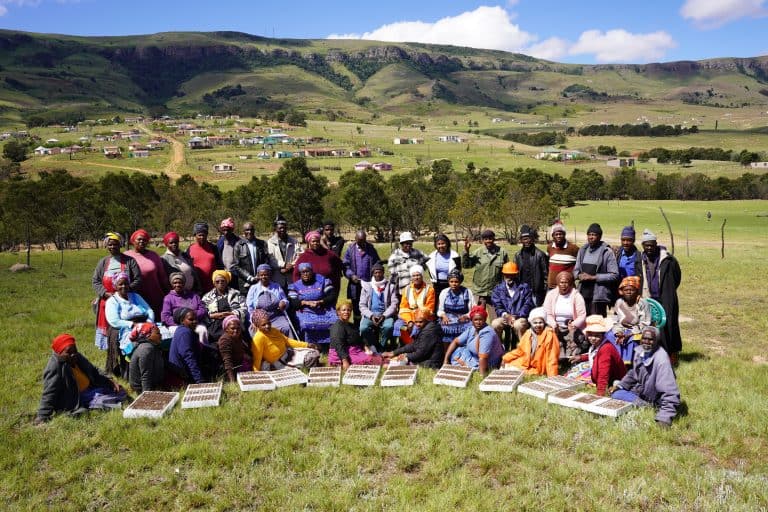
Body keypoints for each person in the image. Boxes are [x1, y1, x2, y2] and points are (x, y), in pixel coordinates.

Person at [35, 334, 126, 424]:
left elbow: (94, 370)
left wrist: (109, 380)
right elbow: (49, 392)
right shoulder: (55, 367)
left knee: (119, 391)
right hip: (76, 397)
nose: (73, 354)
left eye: (75, 350)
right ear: (60, 353)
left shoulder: (77, 357)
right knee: (108, 402)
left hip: (91, 388)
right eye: (69, 352)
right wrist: (42, 416)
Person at [611, 326, 681, 427]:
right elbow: (633, 373)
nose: (646, 342)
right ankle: (639, 402)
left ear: (657, 341)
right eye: (644, 338)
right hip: (642, 391)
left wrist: (664, 418)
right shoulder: (640, 351)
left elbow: (670, 392)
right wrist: (620, 386)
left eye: (650, 339)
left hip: (655, 397)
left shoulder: (661, 360)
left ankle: (646, 406)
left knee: (618, 396)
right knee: (616, 393)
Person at [92, 232, 141, 351]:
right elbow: (96, 281)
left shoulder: (130, 261)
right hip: (107, 301)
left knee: (125, 330)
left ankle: (126, 353)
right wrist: (105, 293)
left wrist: (124, 292)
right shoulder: (103, 262)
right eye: (110, 244)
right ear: (106, 246)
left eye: (115, 244)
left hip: (126, 302)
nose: (112, 247)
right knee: (110, 332)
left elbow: (138, 279)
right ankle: (112, 356)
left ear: (120, 244)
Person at [640, 229, 682, 365]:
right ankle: (657, 354)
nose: (649, 248)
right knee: (652, 325)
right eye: (647, 245)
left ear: (656, 244)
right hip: (650, 297)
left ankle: (672, 354)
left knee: (669, 325)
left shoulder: (668, 260)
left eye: (652, 245)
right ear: (643, 246)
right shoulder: (641, 259)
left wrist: (668, 289)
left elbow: (677, 276)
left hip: (667, 297)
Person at [104, 272, 155, 378]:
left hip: (144, 323)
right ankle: (134, 373)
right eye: (120, 284)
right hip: (126, 326)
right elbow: (114, 320)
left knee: (159, 337)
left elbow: (149, 310)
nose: (124, 286)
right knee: (135, 344)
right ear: (115, 286)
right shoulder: (112, 301)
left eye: (126, 283)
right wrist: (132, 324)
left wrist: (149, 323)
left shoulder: (135, 296)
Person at [568, 315, 626, 396]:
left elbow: (603, 373)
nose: (593, 338)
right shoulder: (598, 345)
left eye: (597, 336)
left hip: (614, 379)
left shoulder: (606, 348)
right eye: (590, 335)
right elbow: (594, 354)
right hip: (602, 375)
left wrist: (600, 394)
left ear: (603, 335)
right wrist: (581, 357)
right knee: (573, 371)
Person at [249, 309, 320, 371]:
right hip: (279, 363)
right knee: (311, 357)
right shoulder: (258, 338)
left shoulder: (274, 330)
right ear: (257, 325)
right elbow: (257, 359)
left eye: (269, 323)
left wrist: (306, 345)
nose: (267, 326)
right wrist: (256, 373)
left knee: (314, 352)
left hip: (287, 354)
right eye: (263, 325)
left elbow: (287, 341)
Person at [443, 305, 504, 376]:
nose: (478, 322)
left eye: (480, 320)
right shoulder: (472, 329)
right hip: (473, 356)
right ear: (471, 320)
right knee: (457, 351)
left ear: (485, 319)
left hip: (486, 361)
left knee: (459, 359)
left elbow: (483, 357)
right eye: (475, 320)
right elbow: (456, 342)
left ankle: (472, 368)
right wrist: (446, 360)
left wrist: (482, 376)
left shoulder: (487, 333)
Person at [288, 262, 339, 346]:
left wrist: (320, 302)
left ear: (312, 271)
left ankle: (331, 343)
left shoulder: (322, 281)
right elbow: (293, 302)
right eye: (303, 272)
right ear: (300, 273)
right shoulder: (295, 286)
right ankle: (311, 344)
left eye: (307, 271)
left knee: (335, 321)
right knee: (306, 323)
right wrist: (305, 302)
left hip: (322, 309)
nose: (305, 274)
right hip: (305, 310)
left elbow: (332, 295)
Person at [574, 223, 619, 316]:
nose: (591, 237)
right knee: (582, 324)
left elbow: (614, 275)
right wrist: (579, 275)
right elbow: (576, 271)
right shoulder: (583, 250)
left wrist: (593, 277)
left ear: (599, 236)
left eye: (594, 235)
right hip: (582, 295)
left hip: (598, 297)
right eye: (589, 234)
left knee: (597, 325)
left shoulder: (607, 252)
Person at [501, 307, 559, 377]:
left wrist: (552, 377)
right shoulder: (528, 333)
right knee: (504, 367)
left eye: (540, 322)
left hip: (538, 366)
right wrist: (505, 358)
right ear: (531, 323)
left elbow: (551, 358)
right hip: (526, 362)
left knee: (509, 371)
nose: (538, 325)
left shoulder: (549, 334)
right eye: (535, 323)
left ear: (544, 323)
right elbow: (520, 350)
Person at [124, 229, 168, 318]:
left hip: (154, 295)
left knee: (156, 322)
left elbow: (162, 277)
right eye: (139, 239)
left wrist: (168, 293)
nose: (141, 241)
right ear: (133, 241)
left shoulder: (154, 255)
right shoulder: (126, 255)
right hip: (134, 295)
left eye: (144, 240)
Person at [543, 271, 587, 359]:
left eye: (566, 282)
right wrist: (553, 324)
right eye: (561, 282)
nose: (564, 285)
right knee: (558, 353)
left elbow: (582, 315)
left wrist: (574, 324)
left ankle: (571, 355)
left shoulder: (576, 296)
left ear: (570, 283)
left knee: (573, 349)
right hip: (556, 326)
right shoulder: (551, 295)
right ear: (558, 283)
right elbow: (547, 313)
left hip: (572, 327)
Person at [490, 262, 534, 348]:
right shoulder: (498, 289)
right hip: (505, 317)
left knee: (518, 325)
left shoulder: (524, 287)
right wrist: (506, 315)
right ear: (503, 275)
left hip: (520, 317)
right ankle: (498, 348)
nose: (509, 277)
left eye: (512, 275)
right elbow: (497, 306)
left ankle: (524, 349)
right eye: (507, 275)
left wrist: (516, 316)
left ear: (516, 274)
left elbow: (528, 304)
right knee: (495, 323)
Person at [329, 300, 383, 369]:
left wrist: (366, 348)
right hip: (342, 354)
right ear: (338, 312)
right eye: (344, 310)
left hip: (355, 351)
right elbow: (339, 346)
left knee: (375, 356)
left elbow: (359, 339)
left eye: (348, 310)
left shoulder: (351, 325)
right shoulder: (337, 327)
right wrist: (345, 361)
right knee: (372, 360)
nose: (346, 312)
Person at [342, 230, 381, 322]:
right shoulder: (350, 249)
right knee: (356, 308)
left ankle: (369, 329)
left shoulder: (371, 249)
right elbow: (345, 266)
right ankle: (357, 329)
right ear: (355, 240)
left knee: (370, 306)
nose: (362, 243)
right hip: (355, 285)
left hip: (369, 284)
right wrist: (351, 276)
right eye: (359, 241)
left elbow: (377, 263)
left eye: (363, 241)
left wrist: (375, 275)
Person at [462, 229, 509, 306]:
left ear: (494, 239)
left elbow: (507, 273)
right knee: (478, 316)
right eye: (486, 239)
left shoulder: (502, 253)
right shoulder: (478, 252)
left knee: (496, 317)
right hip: (480, 291)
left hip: (495, 292)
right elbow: (466, 266)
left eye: (490, 238)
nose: (488, 241)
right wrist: (466, 251)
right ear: (483, 240)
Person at [359, 262, 398, 351]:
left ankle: (382, 345)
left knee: (388, 326)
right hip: (370, 315)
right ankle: (375, 345)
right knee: (363, 328)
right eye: (375, 272)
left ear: (383, 273)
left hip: (385, 315)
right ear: (373, 273)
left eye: (380, 272)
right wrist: (371, 316)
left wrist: (384, 316)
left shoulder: (390, 286)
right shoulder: (367, 287)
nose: (378, 274)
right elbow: (362, 305)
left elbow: (394, 304)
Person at [612, 276, 651, 365]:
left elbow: (645, 323)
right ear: (622, 291)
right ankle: (616, 361)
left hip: (638, 330)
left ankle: (627, 364)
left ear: (637, 291)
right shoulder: (619, 302)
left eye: (632, 290)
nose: (629, 292)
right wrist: (618, 332)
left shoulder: (642, 303)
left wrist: (629, 334)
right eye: (626, 290)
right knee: (609, 336)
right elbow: (615, 320)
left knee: (631, 340)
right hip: (621, 329)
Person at [161, 272, 208, 344]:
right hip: (177, 325)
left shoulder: (194, 296)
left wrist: (191, 318)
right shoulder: (168, 298)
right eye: (175, 283)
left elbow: (202, 310)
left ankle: (204, 350)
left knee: (202, 330)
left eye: (180, 282)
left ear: (184, 283)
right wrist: (181, 322)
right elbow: (165, 316)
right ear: (171, 284)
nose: (177, 285)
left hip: (194, 323)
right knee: (183, 334)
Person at [200, 270, 247, 344]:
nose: (220, 283)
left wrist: (231, 314)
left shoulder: (236, 294)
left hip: (233, 322)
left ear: (227, 282)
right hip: (215, 324)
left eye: (223, 281)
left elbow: (244, 309)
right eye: (217, 281)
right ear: (214, 283)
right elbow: (203, 313)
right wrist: (213, 315)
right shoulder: (207, 297)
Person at [245, 264, 292, 336]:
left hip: (276, 316)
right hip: (260, 319)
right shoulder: (253, 288)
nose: (264, 277)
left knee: (286, 327)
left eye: (266, 275)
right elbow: (249, 308)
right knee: (255, 332)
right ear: (258, 276)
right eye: (261, 275)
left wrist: (284, 303)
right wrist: (253, 321)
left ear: (270, 275)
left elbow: (285, 300)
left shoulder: (276, 286)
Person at [393, 265, 435, 344]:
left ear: (422, 276)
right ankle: (404, 345)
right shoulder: (407, 289)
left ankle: (415, 346)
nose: (416, 278)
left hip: (424, 317)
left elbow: (429, 308)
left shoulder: (429, 289)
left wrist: (416, 320)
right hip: (408, 316)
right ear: (411, 278)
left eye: (418, 275)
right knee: (398, 325)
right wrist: (409, 321)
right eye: (414, 276)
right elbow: (403, 308)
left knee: (416, 327)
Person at [293, 230, 343, 295]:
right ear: (309, 242)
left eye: (317, 241)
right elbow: (296, 274)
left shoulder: (329, 254)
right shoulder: (303, 257)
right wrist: (299, 289)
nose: (315, 243)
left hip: (328, 289)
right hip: (311, 291)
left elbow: (339, 264)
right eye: (313, 241)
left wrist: (336, 282)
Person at [230, 221, 269, 296]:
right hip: (245, 283)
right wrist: (249, 277)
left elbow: (266, 260)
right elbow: (236, 265)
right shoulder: (238, 245)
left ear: (254, 230)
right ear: (243, 231)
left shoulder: (262, 244)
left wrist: (260, 275)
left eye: (251, 229)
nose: (249, 232)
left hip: (261, 281)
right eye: (247, 230)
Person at [513, 225, 548, 306]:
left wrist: (544, 291)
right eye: (524, 239)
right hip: (522, 291)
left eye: (529, 238)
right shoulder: (518, 255)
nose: (527, 241)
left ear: (532, 239)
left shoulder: (540, 255)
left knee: (535, 314)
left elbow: (546, 275)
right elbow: (515, 274)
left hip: (536, 292)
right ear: (521, 240)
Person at [437, 269, 474, 343]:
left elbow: (473, 309)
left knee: (470, 327)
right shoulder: (444, 292)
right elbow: (440, 310)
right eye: (451, 282)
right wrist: (443, 316)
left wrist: (466, 316)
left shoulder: (467, 292)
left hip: (463, 318)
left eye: (456, 282)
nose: (454, 284)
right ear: (448, 282)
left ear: (460, 282)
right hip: (448, 318)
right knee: (443, 327)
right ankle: (446, 351)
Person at [424, 233, 462, 308]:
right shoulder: (431, 256)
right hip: (437, 284)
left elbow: (459, 270)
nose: (441, 246)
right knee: (437, 304)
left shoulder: (455, 256)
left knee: (450, 303)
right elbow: (426, 267)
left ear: (447, 243)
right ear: (436, 245)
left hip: (451, 284)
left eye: (443, 243)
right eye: (439, 244)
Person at [168, 308, 204, 384]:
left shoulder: (184, 330)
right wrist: (199, 380)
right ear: (182, 321)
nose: (195, 321)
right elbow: (188, 357)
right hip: (182, 377)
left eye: (196, 319)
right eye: (191, 319)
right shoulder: (185, 332)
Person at [266, 215, 301, 291]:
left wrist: (291, 266)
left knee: (293, 298)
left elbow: (299, 255)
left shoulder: (294, 241)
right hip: (277, 277)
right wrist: (283, 265)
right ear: (275, 229)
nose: (282, 230)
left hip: (291, 277)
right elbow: (270, 258)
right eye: (280, 228)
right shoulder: (270, 242)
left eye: (284, 228)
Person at [127, 322, 165, 394]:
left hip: (153, 383)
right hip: (141, 388)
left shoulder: (152, 346)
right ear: (147, 335)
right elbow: (145, 375)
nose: (160, 335)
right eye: (158, 333)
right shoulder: (146, 349)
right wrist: (146, 395)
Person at [187, 222, 223, 295]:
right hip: (197, 287)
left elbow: (220, 266)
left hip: (213, 286)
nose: (202, 237)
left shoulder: (213, 248)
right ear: (195, 235)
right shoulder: (190, 249)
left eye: (204, 235)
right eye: (199, 235)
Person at [218, 316, 252, 382]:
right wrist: (232, 381)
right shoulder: (225, 340)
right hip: (230, 369)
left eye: (238, 328)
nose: (236, 331)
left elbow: (241, 350)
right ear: (226, 329)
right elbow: (227, 361)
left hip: (239, 363)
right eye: (232, 328)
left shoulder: (238, 336)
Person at [547, 220, 579, 289]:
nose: (558, 236)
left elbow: (580, 265)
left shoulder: (573, 248)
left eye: (560, 234)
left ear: (564, 235)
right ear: (553, 236)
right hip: (552, 287)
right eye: (556, 234)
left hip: (568, 287)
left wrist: (573, 276)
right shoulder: (550, 247)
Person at [218, 218, 240, 285]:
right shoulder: (220, 242)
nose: (226, 232)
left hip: (236, 274)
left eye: (228, 230)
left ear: (232, 229)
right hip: (224, 274)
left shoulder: (239, 242)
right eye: (224, 230)